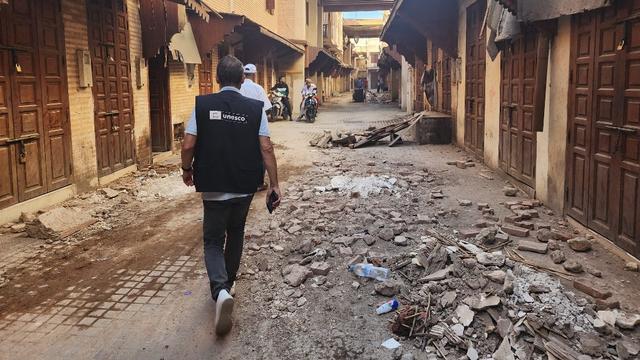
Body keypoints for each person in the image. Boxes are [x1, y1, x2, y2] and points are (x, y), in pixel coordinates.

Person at [181, 55, 281, 336]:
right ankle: (228, 284)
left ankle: (220, 290)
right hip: (244, 183)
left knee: (213, 239)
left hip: (212, 182)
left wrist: (186, 169)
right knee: (236, 231)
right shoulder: (255, 107)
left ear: (216, 80)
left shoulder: (203, 105)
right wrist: (274, 184)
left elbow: (188, 144)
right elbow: (267, 148)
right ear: (241, 80)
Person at [240, 64, 272, 191]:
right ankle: (259, 182)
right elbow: (266, 108)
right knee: (260, 154)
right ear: (254, 74)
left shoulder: (239, 87)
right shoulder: (258, 88)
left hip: (239, 124)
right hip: (255, 125)